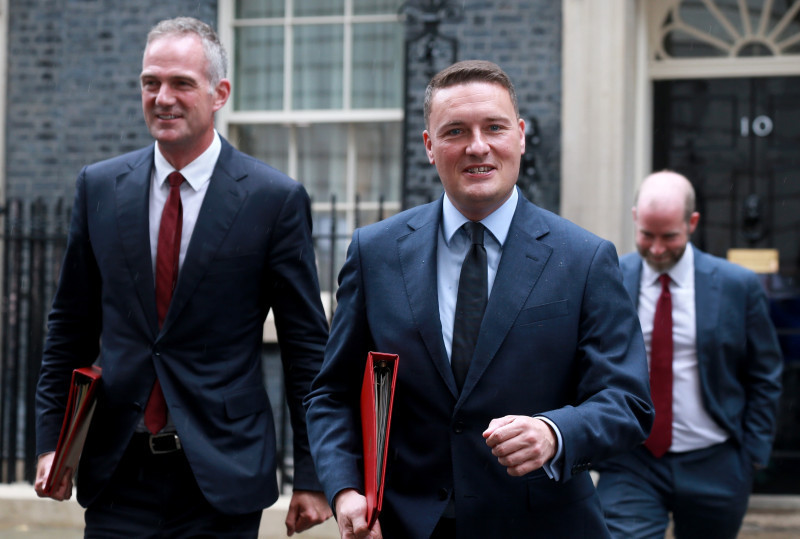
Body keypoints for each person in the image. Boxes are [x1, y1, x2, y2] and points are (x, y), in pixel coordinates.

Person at [304, 59, 654, 539]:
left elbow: (628, 402)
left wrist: (555, 433)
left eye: (494, 127)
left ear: (521, 135)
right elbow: (333, 394)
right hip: (406, 526)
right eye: (455, 131)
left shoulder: (585, 258)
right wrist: (346, 491)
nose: (477, 146)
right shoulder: (376, 252)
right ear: (429, 146)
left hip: (541, 526)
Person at [33, 17, 332, 537]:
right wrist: (50, 444)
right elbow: (69, 328)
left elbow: (305, 347)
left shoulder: (273, 199)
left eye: (180, 84)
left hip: (221, 475)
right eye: (150, 82)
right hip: (117, 471)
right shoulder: (99, 187)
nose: (162, 97)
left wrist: (315, 474)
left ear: (219, 93)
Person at [595, 171, 783, 538]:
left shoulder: (737, 286)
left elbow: (765, 373)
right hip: (632, 460)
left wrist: (752, 455)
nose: (658, 249)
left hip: (716, 462)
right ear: (635, 217)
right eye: (647, 235)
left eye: (669, 236)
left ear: (692, 223)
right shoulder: (608, 276)